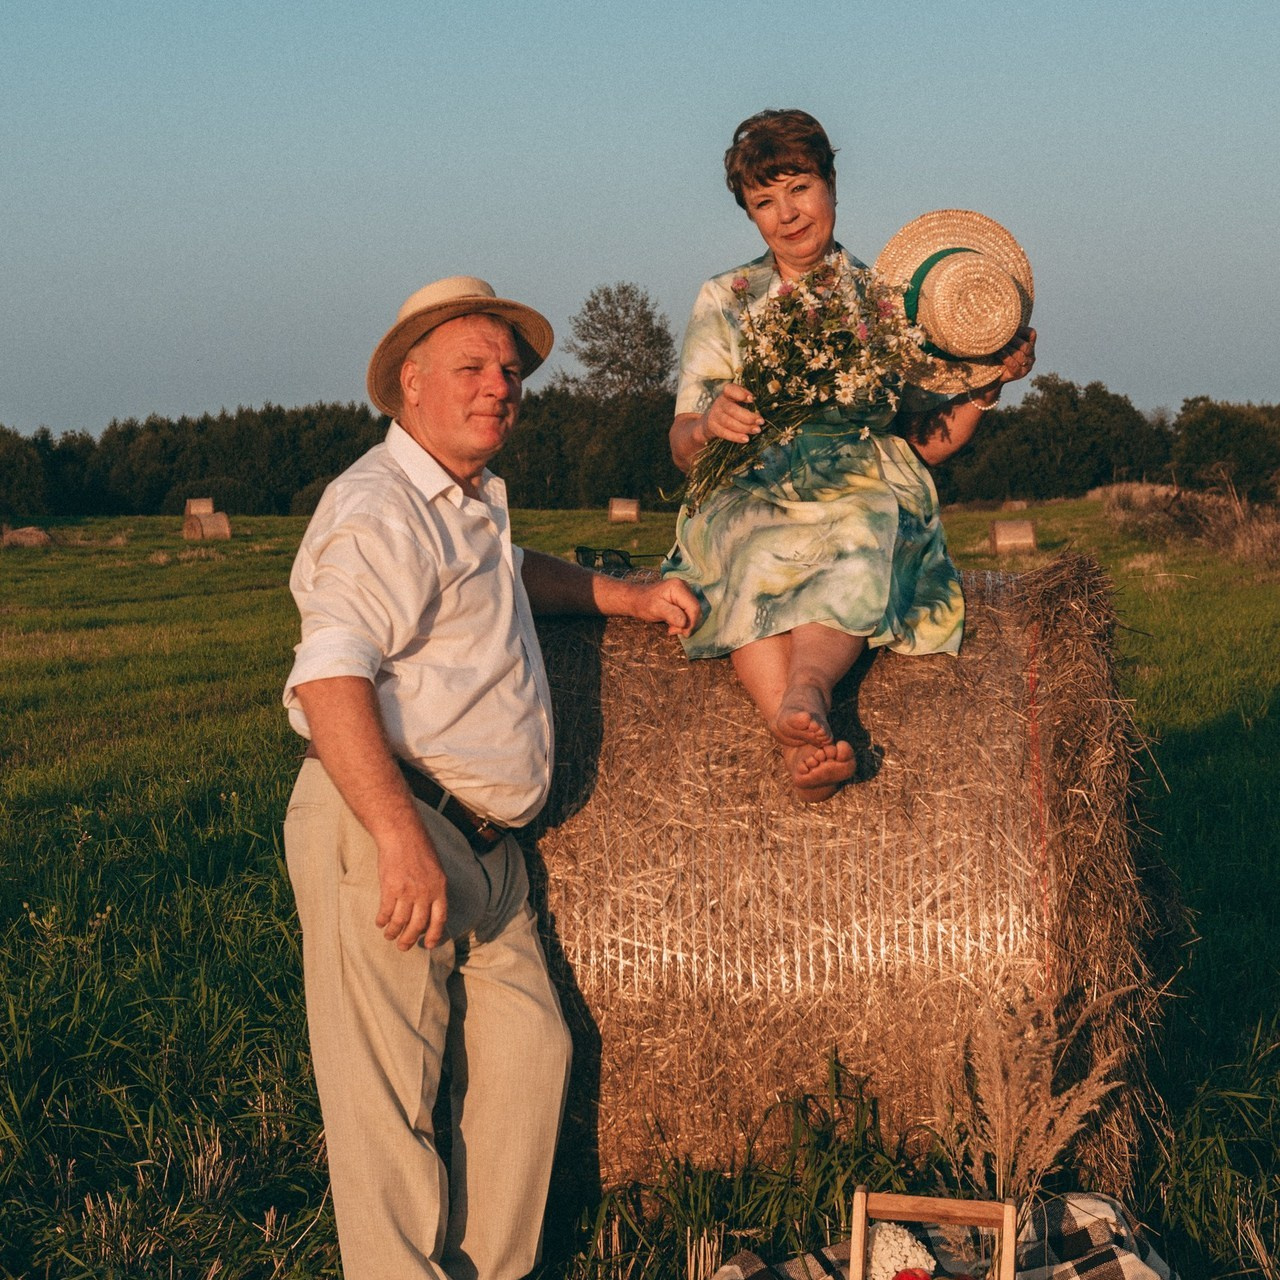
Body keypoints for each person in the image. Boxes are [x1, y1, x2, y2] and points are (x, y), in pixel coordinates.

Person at [282, 275, 701, 1280]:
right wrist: (393, 835)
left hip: (488, 851)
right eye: (471, 367)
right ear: (409, 384)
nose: (499, 386)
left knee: (530, 1059)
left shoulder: (465, 505)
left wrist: (624, 595)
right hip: (394, 817)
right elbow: (330, 675)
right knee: (388, 1111)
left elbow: (511, 574)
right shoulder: (378, 506)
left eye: (509, 371)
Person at [664, 109, 1037, 802]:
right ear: (750, 215)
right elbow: (682, 443)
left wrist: (991, 385)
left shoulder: (887, 302)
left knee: (863, 523)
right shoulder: (727, 299)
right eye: (764, 203)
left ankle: (803, 698)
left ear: (832, 183)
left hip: (860, 476)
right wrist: (710, 424)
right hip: (753, 477)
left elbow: (930, 441)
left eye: (799, 189)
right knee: (746, 539)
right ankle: (802, 728)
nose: (786, 215)